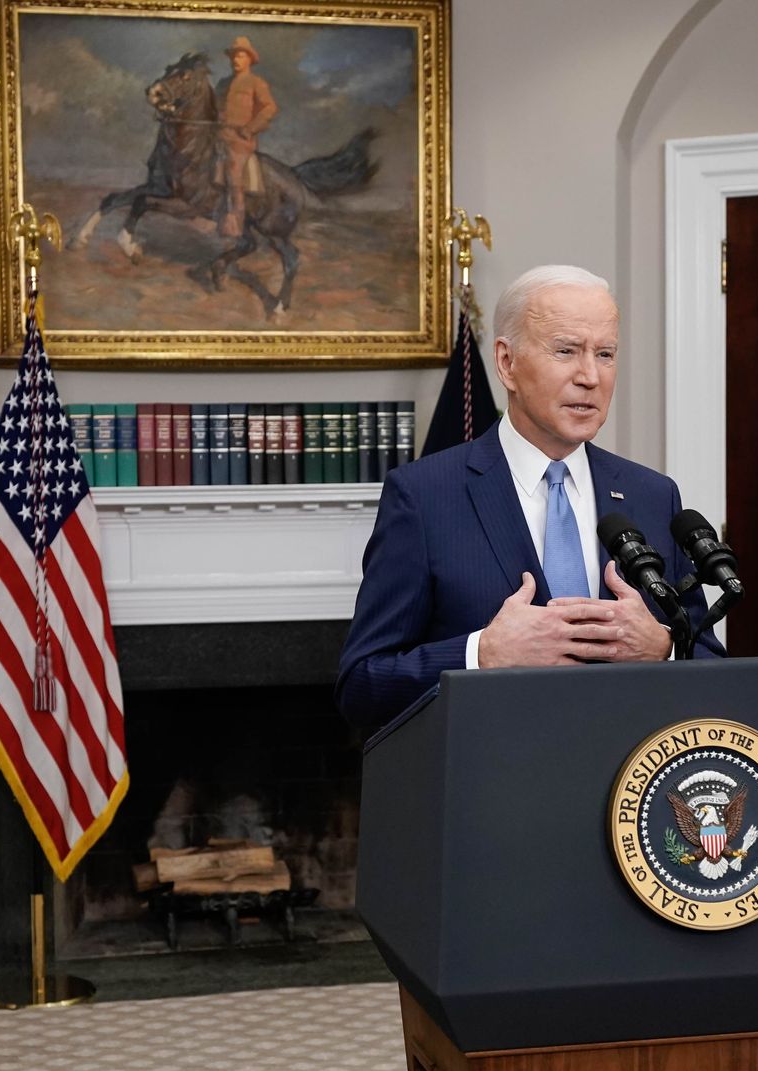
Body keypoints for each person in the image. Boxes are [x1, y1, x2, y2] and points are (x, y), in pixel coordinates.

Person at [336, 265, 724, 728]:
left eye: (605, 354)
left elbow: (713, 670)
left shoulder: (653, 495)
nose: (590, 376)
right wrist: (481, 653)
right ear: (507, 363)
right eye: (566, 351)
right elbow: (362, 686)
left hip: (630, 767)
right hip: (493, 768)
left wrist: (663, 648)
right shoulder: (424, 497)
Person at [216, 35, 277, 238]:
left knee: (233, 173)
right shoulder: (222, 84)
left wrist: (250, 128)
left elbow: (270, 108)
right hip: (218, 136)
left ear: (250, 59)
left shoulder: (256, 83)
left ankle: (236, 223)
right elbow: (214, 109)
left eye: (241, 56)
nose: (236, 60)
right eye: (234, 56)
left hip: (240, 141)